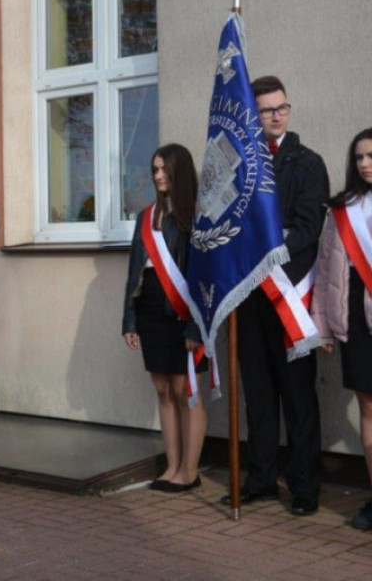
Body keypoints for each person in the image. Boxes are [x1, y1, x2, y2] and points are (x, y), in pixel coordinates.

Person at [223, 75, 329, 515]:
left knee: (298, 396)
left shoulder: (307, 163)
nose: (276, 114)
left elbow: (308, 229)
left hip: (291, 296)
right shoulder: (241, 164)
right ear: (255, 114)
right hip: (249, 298)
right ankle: (262, 478)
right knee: (259, 394)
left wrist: (271, 249)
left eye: (281, 107)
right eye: (266, 110)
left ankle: (304, 485)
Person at [122, 144, 208, 493]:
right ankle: (171, 466)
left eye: (164, 170)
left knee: (185, 389)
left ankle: (190, 471)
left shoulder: (196, 216)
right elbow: (133, 270)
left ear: (179, 173)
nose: (158, 176)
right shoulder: (147, 216)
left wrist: (195, 326)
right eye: (155, 169)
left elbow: (204, 277)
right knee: (162, 389)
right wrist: (128, 319)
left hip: (183, 310)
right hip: (150, 307)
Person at [311, 128, 372, 529]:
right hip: (357, 322)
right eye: (359, 157)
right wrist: (324, 328)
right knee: (369, 407)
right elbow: (326, 268)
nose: (365, 163)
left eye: (371, 156)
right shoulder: (342, 209)